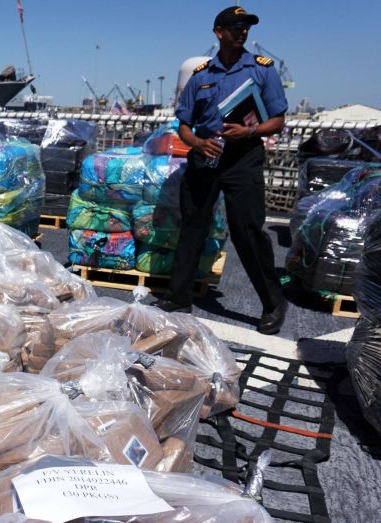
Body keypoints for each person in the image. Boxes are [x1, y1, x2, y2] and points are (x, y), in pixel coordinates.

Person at [153, 5, 288, 335]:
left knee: (248, 231)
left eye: (246, 27)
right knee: (193, 226)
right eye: (236, 26)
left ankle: (273, 303)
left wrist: (250, 132)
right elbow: (183, 125)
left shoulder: (262, 70)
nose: (243, 31)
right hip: (206, 156)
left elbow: (278, 121)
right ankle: (179, 297)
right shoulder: (201, 76)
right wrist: (197, 144)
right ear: (219, 32)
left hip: (244, 157)